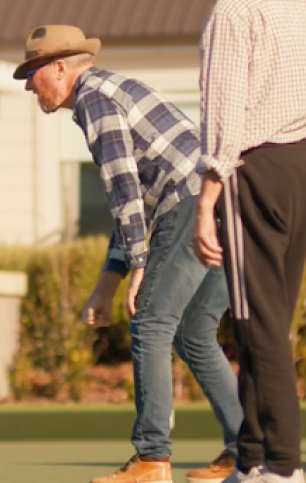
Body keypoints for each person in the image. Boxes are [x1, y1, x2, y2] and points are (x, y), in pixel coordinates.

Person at [16, 25, 243, 483]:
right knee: (194, 332)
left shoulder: (94, 98)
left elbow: (124, 194)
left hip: (188, 202)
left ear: (60, 67)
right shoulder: (109, 88)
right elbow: (133, 193)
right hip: (225, 203)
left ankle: (152, 458)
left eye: (33, 72)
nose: (27, 85)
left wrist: (137, 267)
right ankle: (247, 448)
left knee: (151, 323)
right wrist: (109, 279)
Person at [191, 0, 306, 483]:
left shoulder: (234, 8)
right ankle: (250, 459)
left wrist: (206, 195)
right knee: (266, 317)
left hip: (254, 167)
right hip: (303, 166)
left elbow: (224, 110)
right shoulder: (301, 7)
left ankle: (280, 465)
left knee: (257, 322)